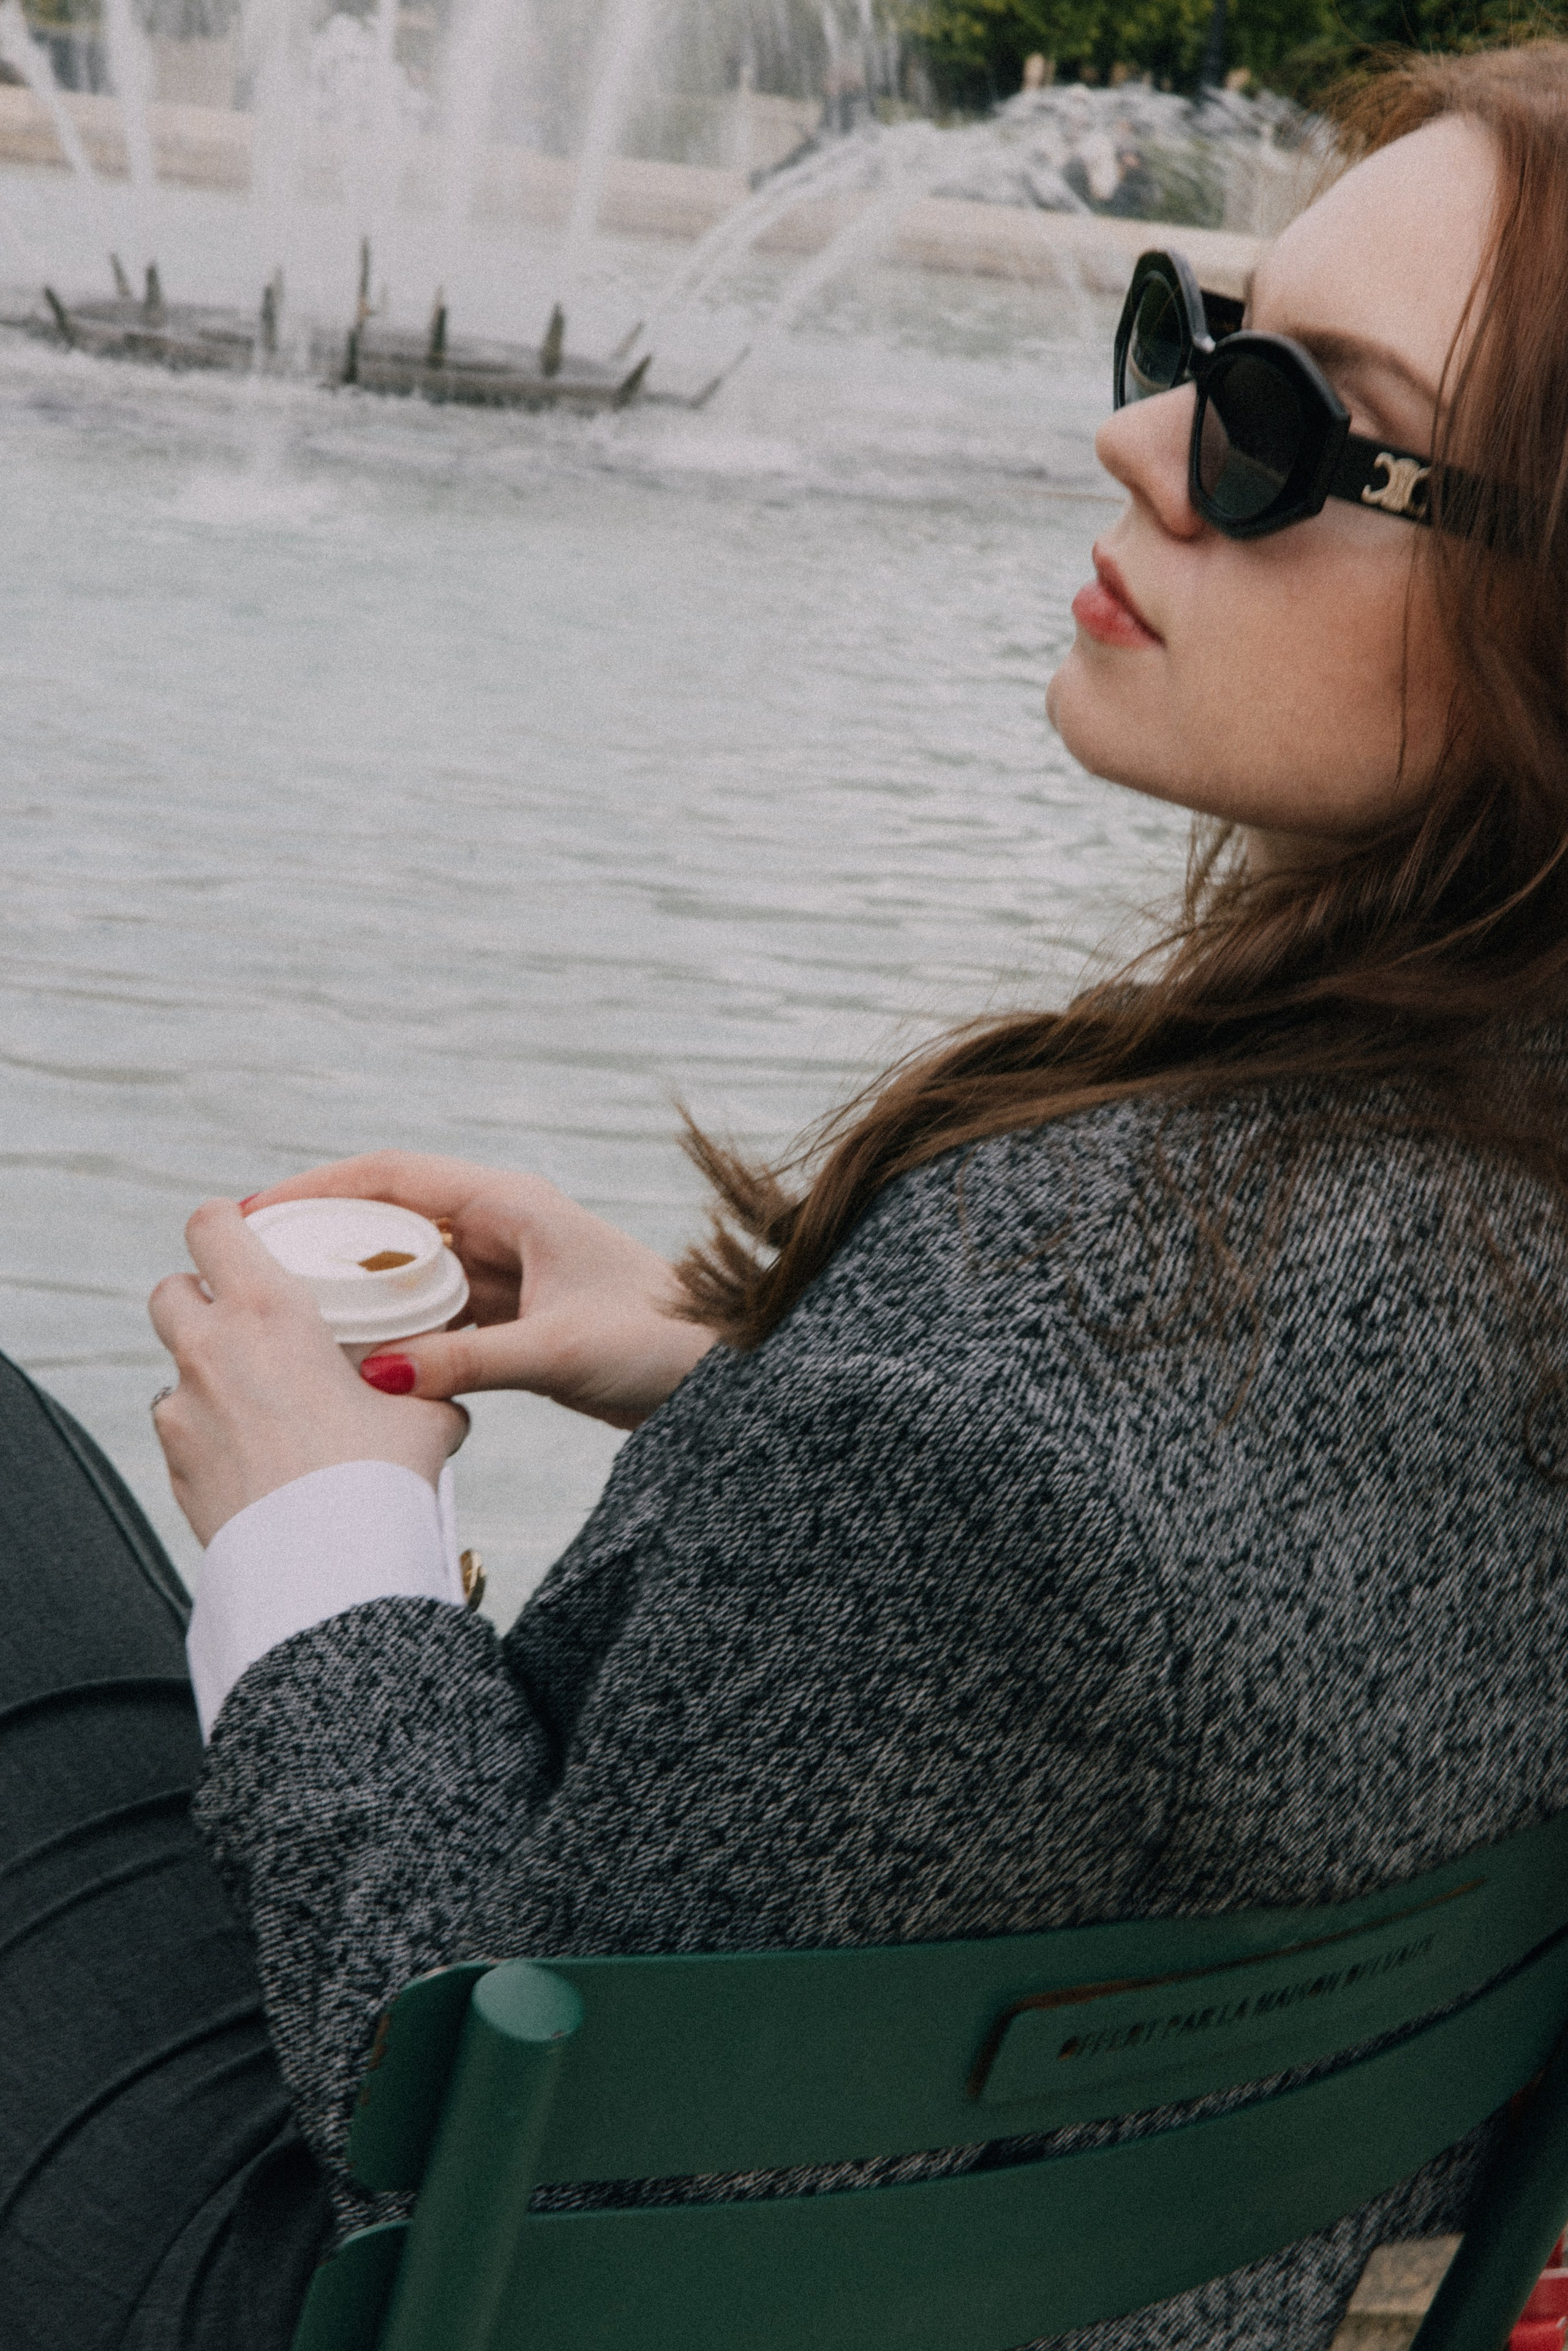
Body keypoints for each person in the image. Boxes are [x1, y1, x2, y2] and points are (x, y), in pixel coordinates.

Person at [11, 37, 1568, 2350]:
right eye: (1191, 339)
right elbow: (1212, 1634)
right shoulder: (1457, 1203)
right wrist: (745, 1380)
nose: (1143, 439)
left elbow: (514, 2161)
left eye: (1285, 428)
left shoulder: (1024, 1363)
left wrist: (321, 1541)